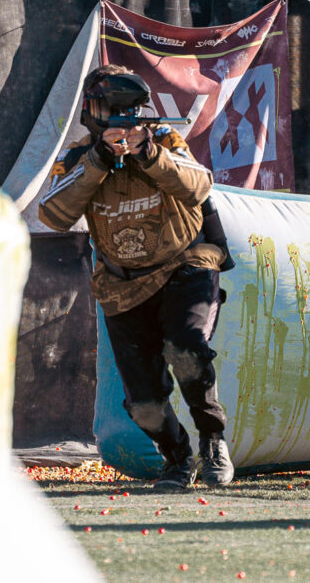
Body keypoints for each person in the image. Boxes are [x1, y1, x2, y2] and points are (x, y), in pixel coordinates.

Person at [39, 64, 234, 490]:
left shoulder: (163, 139)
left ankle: (212, 439)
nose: (112, 120)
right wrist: (99, 161)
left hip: (185, 266)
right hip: (122, 285)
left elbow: (200, 185)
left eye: (121, 110)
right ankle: (177, 459)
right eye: (104, 110)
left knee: (186, 349)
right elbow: (53, 214)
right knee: (144, 404)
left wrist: (148, 153)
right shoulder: (78, 157)